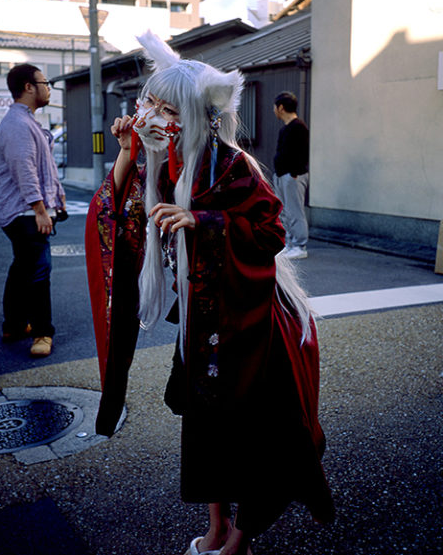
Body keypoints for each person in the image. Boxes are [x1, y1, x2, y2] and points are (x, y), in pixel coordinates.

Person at [85, 33, 333, 555]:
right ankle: (218, 527)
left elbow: (271, 234)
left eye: (164, 106)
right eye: (147, 100)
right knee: (206, 429)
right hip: (205, 323)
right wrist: (129, 153)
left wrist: (202, 220)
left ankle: (239, 540)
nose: (148, 112)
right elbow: (117, 217)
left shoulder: (233, 164)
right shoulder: (161, 155)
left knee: (255, 434)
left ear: (198, 115)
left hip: (251, 320)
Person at [0, 64, 65, 358]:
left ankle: (13, 324)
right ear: (28, 87)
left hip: (22, 211)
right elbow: (24, 168)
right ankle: (41, 332)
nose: (48, 88)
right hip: (25, 212)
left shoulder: (23, 122)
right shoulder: (18, 125)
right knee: (38, 272)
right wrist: (40, 209)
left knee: (22, 267)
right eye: (44, 82)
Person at [272, 91, 310, 260]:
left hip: (293, 175)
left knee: (295, 211)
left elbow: (303, 154)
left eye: (274, 107)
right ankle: (288, 244)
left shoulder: (299, 127)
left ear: (281, 107)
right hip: (281, 175)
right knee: (284, 212)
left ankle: (300, 245)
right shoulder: (284, 129)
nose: (273, 110)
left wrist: (294, 173)